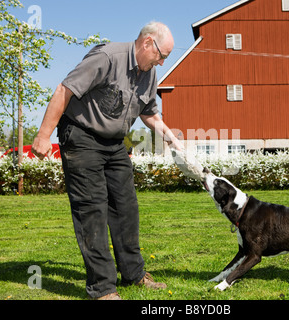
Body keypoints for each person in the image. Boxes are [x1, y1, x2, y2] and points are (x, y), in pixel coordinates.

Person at [31, 21, 182, 300]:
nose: (161, 62)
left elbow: (149, 111)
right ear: (147, 43)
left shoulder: (148, 74)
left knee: (126, 207)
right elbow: (64, 90)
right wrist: (43, 135)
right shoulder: (107, 57)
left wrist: (168, 135)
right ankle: (102, 288)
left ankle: (134, 274)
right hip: (82, 136)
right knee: (92, 209)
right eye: (161, 55)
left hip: (113, 144)